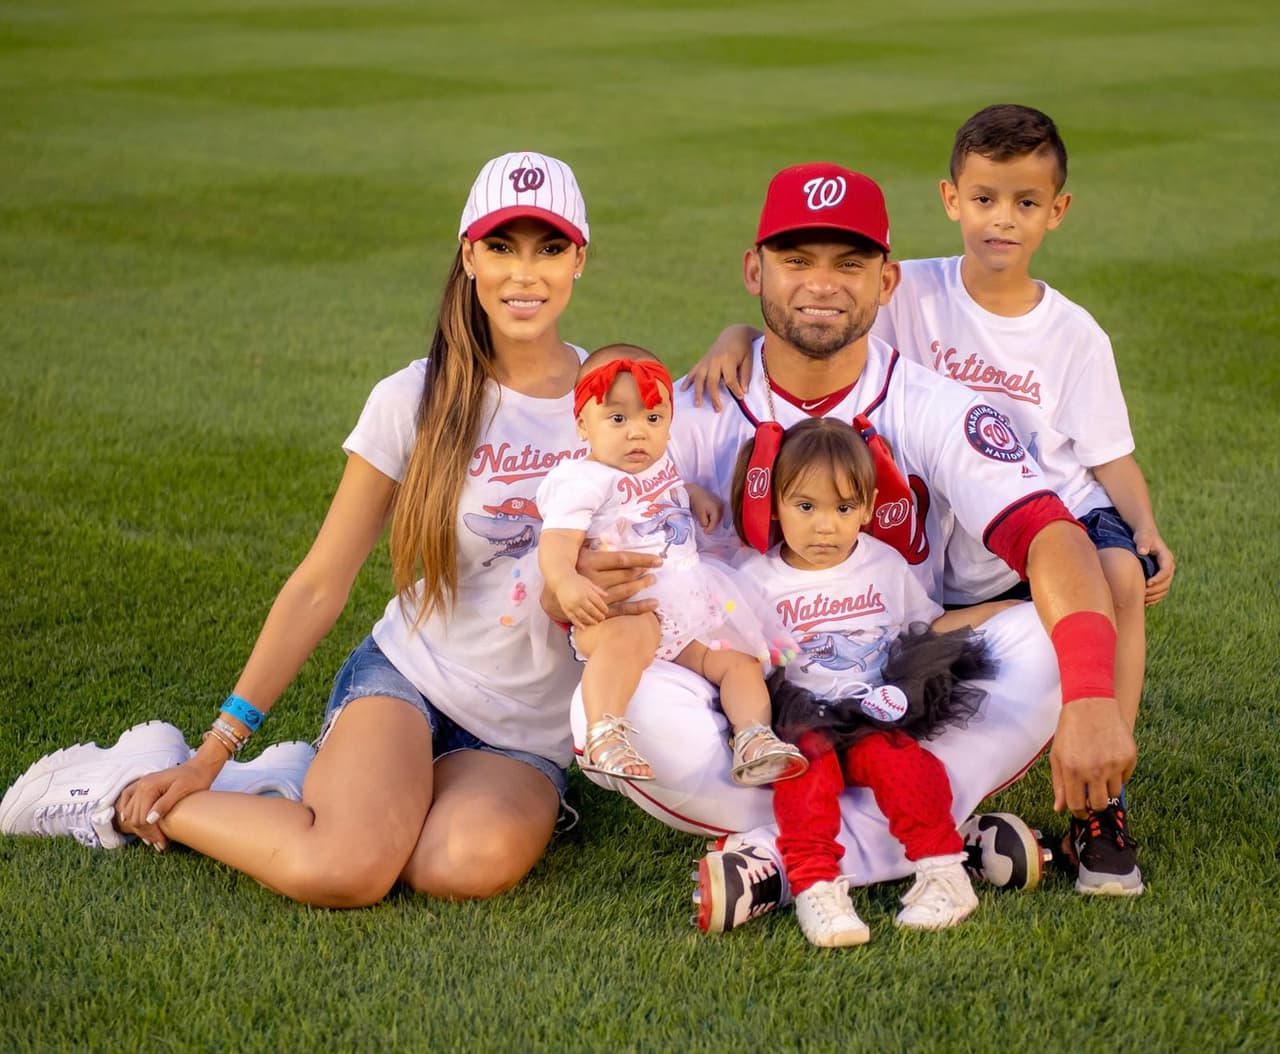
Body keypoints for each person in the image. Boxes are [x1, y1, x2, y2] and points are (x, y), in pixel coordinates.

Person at [1, 150, 641, 908]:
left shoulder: (625, 403)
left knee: (456, 867)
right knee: (347, 870)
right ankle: (114, 791)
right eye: (501, 247)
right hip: (410, 680)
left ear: (581, 261)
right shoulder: (415, 397)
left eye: (549, 249)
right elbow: (320, 582)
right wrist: (212, 750)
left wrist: (737, 340)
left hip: (521, 734)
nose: (524, 275)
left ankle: (298, 788)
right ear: (469, 255)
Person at [569, 160, 1136, 934]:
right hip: (744, 708)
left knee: (1049, 635)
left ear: (887, 281)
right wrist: (580, 572)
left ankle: (784, 856)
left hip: (896, 689)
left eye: (849, 262)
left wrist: (1095, 698)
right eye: (796, 260)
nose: (822, 284)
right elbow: (574, 562)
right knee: (608, 696)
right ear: (753, 269)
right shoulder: (682, 411)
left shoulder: (935, 405)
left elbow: (1053, 537)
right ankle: (940, 841)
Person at [688, 106, 1173, 896]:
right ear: (953, 200)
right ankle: (952, 841)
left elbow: (1098, 466)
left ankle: (1098, 804)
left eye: (1024, 202)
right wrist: (734, 335)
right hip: (898, 579)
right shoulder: (914, 289)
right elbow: (806, 308)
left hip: (1011, 530)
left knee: (1106, 589)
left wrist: (1140, 533)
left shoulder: (1063, 335)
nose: (822, 282)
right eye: (985, 198)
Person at [729, 417, 1015, 946]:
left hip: (873, 706)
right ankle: (817, 886)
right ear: (774, 506)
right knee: (804, 774)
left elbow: (926, 626)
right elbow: (743, 662)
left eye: (843, 509)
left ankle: (944, 871)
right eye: (805, 506)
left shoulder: (883, 563)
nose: (825, 527)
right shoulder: (756, 578)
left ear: (865, 508)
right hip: (804, 712)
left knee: (904, 765)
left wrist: (1012, 610)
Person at [536, 342, 806, 786]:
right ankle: (603, 731)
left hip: (686, 612)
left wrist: (695, 496)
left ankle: (754, 737)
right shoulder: (582, 480)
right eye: (618, 419)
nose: (638, 432)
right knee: (629, 638)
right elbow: (557, 541)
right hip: (626, 608)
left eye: (653, 418)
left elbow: (673, 486)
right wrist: (566, 580)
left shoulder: (658, 461)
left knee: (738, 661)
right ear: (583, 424)